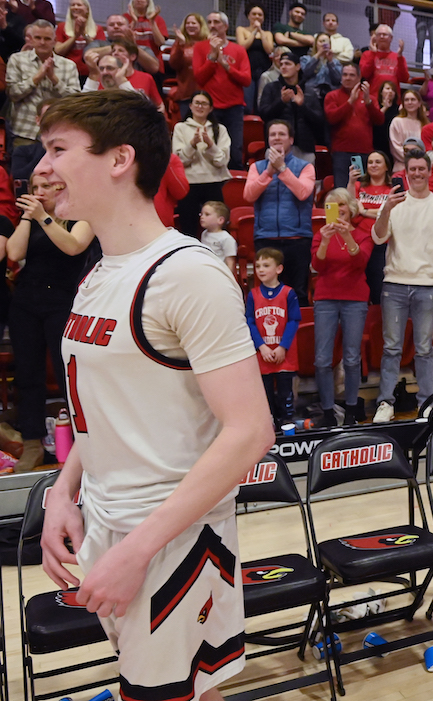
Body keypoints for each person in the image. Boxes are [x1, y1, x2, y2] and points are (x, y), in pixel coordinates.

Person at [38, 90, 274, 701]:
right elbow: (106, 410)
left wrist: (139, 549)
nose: (41, 168)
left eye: (58, 150)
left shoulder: (188, 274)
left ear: (119, 160)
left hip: (172, 536)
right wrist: (63, 494)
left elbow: (251, 432)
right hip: (109, 523)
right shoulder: (98, 270)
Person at [7, 170, 95, 468]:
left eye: (47, 186)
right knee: (28, 375)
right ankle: (32, 441)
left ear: (62, 188)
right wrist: (28, 219)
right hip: (26, 300)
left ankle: (81, 440)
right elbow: (15, 252)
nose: (40, 191)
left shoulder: (80, 217)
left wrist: (44, 217)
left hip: (62, 300)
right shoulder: (32, 219)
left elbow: (74, 246)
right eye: (35, 187)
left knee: (67, 373)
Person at [371, 151, 433, 421]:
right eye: (413, 169)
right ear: (405, 172)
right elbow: (378, 237)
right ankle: (385, 403)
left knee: (424, 349)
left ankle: (427, 403)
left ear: (430, 172)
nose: (417, 173)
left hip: (427, 287)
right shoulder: (394, 204)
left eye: (422, 169)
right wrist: (385, 209)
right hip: (394, 284)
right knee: (392, 348)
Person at [312, 187, 374, 426]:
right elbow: (318, 265)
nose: (338, 211)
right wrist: (326, 240)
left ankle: (350, 409)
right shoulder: (320, 234)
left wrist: (347, 236)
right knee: (322, 359)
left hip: (355, 298)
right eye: (333, 207)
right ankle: (328, 411)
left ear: (351, 208)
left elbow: (361, 263)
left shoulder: (362, 233)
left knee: (351, 358)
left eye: (342, 206)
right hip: (326, 297)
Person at [244, 119, 316, 304]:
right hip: (266, 238)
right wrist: (268, 173)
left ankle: (297, 332)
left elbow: (303, 193)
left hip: (297, 239)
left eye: (282, 134)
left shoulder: (306, 167)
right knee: (269, 294)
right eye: (273, 134)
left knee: (298, 293)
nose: (277, 138)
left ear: (291, 139)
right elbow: (249, 195)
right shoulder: (257, 167)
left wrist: (282, 169)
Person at [247, 247, 300, 426]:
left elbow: (293, 321)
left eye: (266, 265)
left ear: (278, 269)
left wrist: (282, 346)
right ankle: (270, 426)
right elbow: (250, 322)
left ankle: (287, 424)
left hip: (283, 354)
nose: (260, 269)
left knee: (286, 393)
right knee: (265, 395)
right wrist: (261, 346)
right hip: (263, 354)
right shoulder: (253, 295)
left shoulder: (288, 293)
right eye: (258, 266)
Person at [6, 20, 80, 147]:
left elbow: (74, 100)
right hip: (24, 132)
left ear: (54, 40)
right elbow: (13, 94)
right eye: (38, 38)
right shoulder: (17, 60)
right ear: (31, 39)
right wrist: (37, 77)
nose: (42, 42)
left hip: (57, 133)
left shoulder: (68, 65)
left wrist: (54, 79)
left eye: (47, 38)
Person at [193, 12, 250, 169]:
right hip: (209, 108)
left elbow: (246, 80)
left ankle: (234, 188)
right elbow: (199, 79)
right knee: (208, 150)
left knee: (235, 150)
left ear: (225, 26)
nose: (212, 25)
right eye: (209, 22)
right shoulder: (199, 48)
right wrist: (212, 57)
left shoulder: (238, 50)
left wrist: (226, 66)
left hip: (234, 107)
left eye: (216, 22)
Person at [172, 90, 231, 238]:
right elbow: (179, 161)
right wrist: (192, 145)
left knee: (217, 230)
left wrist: (211, 146)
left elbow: (222, 161)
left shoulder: (220, 129)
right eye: (197, 103)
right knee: (188, 228)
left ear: (210, 108)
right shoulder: (180, 128)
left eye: (204, 103)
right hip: (189, 184)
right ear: (190, 106)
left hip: (213, 183)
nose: (200, 106)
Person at [258, 50, 324, 164]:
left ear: (298, 67)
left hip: (304, 148)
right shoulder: (271, 88)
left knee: (303, 181)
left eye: (287, 64)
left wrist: (302, 106)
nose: (283, 67)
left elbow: (319, 121)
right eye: (281, 64)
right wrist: (281, 102)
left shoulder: (309, 91)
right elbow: (264, 114)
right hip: (277, 147)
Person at [325, 62, 383, 189]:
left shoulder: (370, 98)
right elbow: (331, 118)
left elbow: (380, 120)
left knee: (362, 190)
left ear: (359, 77)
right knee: (342, 189)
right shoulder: (332, 96)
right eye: (345, 75)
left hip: (364, 152)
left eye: (351, 75)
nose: (347, 78)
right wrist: (350, 101)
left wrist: (368, 103)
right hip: (341, 152)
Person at [350, 150, 394, 304]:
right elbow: (351, 210)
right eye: (370, 162)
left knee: (378, 288)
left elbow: (392, 212)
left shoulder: (392, 188)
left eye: (378, 162)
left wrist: (365, 211)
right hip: (359, 242)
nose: (373, 165)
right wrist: (350, 183)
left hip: (382, 244)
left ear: (386, 167)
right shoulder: (357, 185)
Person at [234, 3, 272, 115]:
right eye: (254, 14)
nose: (257, 17)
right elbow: (242, 46)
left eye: (260, 14)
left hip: (263, 70)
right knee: (248, 103)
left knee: (261, 103)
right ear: (248, 16)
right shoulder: (241, 30)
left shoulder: (267, 33)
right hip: (247, 70)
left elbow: (269, 49)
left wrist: (260, 31)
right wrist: (254, 31)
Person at [167, 13, 206, 120]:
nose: (190, 25)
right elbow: (174, 64)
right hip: (186, 93)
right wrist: (181, 45)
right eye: (187, 23)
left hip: (205, 94)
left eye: (193, 23)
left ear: (201, 26)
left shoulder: (208, 43)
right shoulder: (179, 43)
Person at [55, 0, 103, 81]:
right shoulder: (61, 27)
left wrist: (84, 34)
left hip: (89, 73)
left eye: (79, 5)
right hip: (66, 72)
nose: (75, 7)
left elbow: (101, 52)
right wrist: (75, 36)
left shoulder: (98, 29)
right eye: (73, 5)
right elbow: (57, 51)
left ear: (87, 9)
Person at [361, 22, 408, 96]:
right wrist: (373, 54)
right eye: (379, 34)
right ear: (375, 38)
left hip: (393, 100)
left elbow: (404, 79)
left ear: (391, 38)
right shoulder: (367, 54)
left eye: (385, 34)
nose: (382, 37)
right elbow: (365, 74)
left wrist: (400, 57)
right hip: (373, 98)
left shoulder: (398, 57)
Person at [122, 0, 164, 79]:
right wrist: (134, 21)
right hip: (130, 63)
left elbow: (160, 42)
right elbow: (123, 39)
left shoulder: (157, 19)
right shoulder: (125, 17)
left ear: (148, 2)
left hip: (151, 62)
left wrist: (152, 22)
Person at [199, 200, 236, 273]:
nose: (202, 217)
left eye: (207, 214)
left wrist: (228, 277)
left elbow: (230, 261)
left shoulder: (226, 238)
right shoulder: (204, 233)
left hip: (220, 272)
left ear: (220, 220)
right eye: (201, 214)